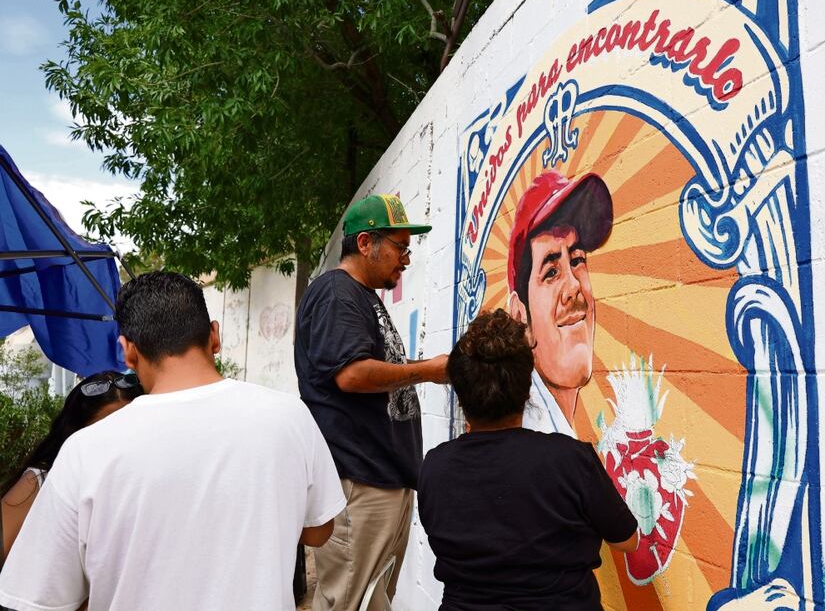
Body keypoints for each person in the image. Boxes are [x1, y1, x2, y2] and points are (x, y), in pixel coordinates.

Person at [0, 271, 345, 611]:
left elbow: (38, 598)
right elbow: (318, 532)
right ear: (214, 336)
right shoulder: (289, 417)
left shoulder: (85, 450)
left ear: (128, 353)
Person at [418, 309, 638, 610]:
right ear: (526, 388)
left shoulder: (433, 468)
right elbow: (627, 541)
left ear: (460, 392)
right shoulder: (570, 460)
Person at [295, 194, 449, 611]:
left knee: (372, 603)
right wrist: (428, 370)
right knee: (350, 602)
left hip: (383, 479)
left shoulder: (360, 296)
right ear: (365, 243)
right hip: (358, 482)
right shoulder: (336, 292)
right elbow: (351, 374)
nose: (406, 259)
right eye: (400, 247)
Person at [507, 170, 613, 436]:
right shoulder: (532, 442)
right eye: (551, 272)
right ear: (521, 318)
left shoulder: (555, 435)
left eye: (577, 261)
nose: (575, 286)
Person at [1, 371, 143, 563]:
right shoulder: (40, 480)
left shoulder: (142, 484)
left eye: (127, 427)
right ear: (73, 432)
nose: (115, 439)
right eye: (102, 430)